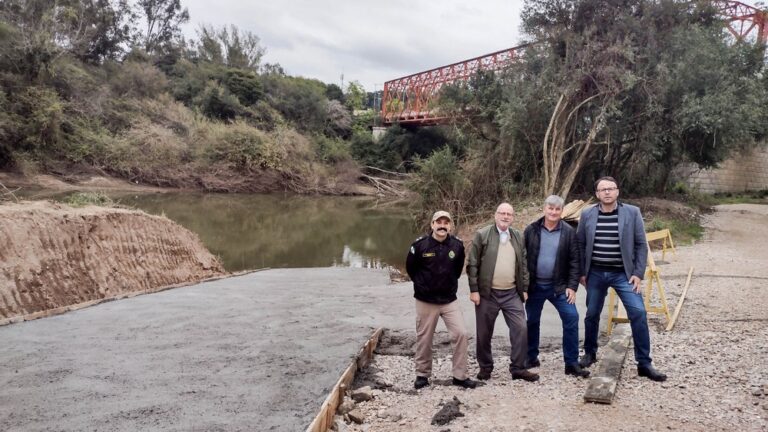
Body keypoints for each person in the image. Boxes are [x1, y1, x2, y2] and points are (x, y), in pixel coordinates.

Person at [577, 176, 667, 382]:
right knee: (591, 314)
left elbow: (640, 245)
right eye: (603, 190)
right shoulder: (587, 214)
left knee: (638, 313)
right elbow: (580, 244)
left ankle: (644, 363)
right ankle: (590, 353)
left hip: (623, 274)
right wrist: (582, 272)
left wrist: (637, 273)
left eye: (611, 189)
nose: (607, 192)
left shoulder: (632, 213)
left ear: (617, 192)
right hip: (596, 273)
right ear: (597, 194)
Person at [467, 203, 539, 382]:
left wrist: (524, 289)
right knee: (484, 333)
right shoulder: (482, 235)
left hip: (511, 293)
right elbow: (472, 263)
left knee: (521, 328)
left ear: (512, 217)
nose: (505, 216)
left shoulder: (517, 236)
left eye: (509, 214)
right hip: (487, 294)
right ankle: (485, 367)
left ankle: (518, 368)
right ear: (495, 215)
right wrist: (474, 290)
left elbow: (523, 264)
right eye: (502, 213)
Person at [406, 210, 477, 389]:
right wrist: (423, 286)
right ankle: (422, 375)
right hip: (426, 301)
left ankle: (460, 376)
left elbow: (458, 268)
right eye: (439, 222)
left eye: (446, 223)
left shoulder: (457, 246)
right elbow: (411, 269)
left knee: (461, 333)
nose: (442, 225)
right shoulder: (419, 246)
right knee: (425, 338)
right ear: (432, 225)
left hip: (449, 300)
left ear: (450, 226)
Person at [523, 195, 591, 378]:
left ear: (562, 211)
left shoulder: (569, 232)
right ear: (544, 209)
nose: (553, 212)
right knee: (531, 321)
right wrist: (523, 286)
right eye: (550, 208)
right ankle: (531, 357)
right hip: (535, 286)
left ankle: (571, 363)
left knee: (571, 318)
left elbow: (575, 261)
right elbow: (522, 259)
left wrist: (572, 287)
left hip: (559, 287)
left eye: (557, 209)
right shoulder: (531, 230)